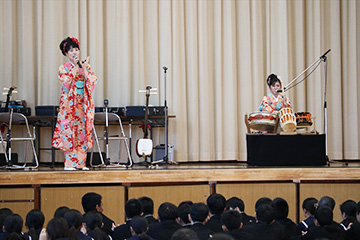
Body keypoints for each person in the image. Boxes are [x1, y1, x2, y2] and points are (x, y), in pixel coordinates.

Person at [52, 36, 98, 171]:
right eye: (71, 50)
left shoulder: (85, 66)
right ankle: (69, 164)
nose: (74, 52)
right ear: (66, 53)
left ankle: (81, 163)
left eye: (76, 49)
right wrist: (75, 69)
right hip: (69, 105)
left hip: (83, 103)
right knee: (69, 132)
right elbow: (65, 83)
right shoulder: (63, 68)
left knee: (82, 132)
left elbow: (92, 81)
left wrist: (83, 69)